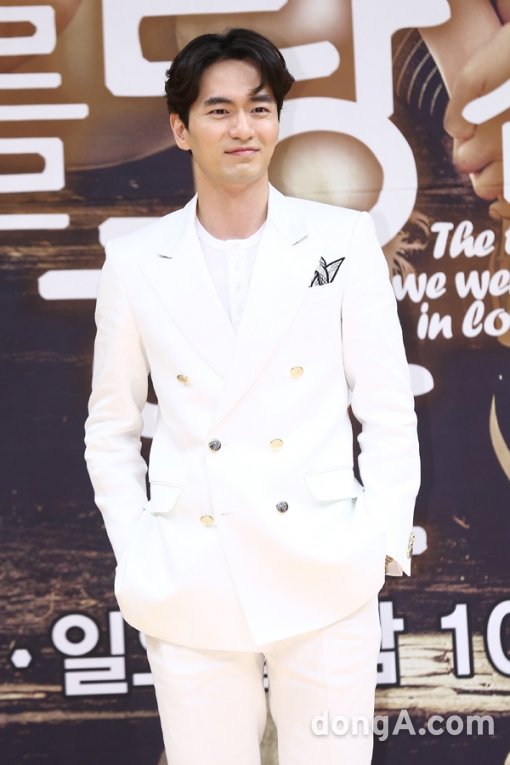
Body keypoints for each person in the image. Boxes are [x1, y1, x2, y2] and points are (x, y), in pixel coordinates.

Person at [84, 27, 420, 765]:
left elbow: (387, 406)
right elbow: (110, 426)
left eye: (259, 108)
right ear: (181, 128)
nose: (243, 127)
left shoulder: (340, 239)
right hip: (191, 572)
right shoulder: (136, 260)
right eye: (219, 110)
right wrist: (138, 549)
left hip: (324, 566)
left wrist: (378, 538)